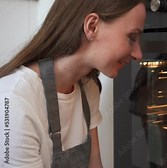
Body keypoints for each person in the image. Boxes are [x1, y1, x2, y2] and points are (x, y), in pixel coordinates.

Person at [0, 0, 146, 167]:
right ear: (92, 27)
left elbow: (94, 163)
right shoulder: (14, 100)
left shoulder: (88, 88)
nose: (138, 54)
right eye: (132, 37)